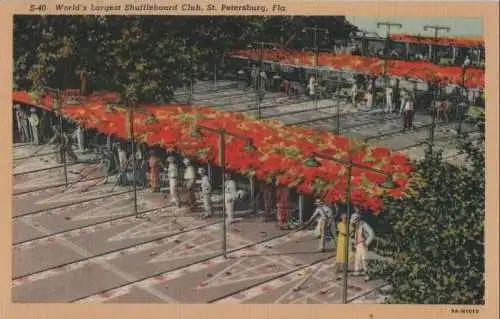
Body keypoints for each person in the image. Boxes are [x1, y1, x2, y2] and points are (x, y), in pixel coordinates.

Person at [350, 213, 375, 281]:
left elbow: (372, 234)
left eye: (354, 221)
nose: (354, 223)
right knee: (357, 258)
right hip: (358, 244)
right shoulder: (356, 225)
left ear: (357, 219)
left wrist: (366, 243)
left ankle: (368, 275)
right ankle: (357, 271)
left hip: (363, 244)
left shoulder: (364, 224)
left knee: (364, 259)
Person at [335, 213, 351, 278]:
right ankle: (338, 269)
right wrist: (347, 233)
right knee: (339, 256)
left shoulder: (349, 225)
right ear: (342, 218)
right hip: (340, 242)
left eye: (346, 218)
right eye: (344, 218)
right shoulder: (339, 224)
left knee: (345, 256)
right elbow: (343, 232)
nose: (345, 219)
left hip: (346, 242)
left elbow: (351, 231)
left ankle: (345, 269)